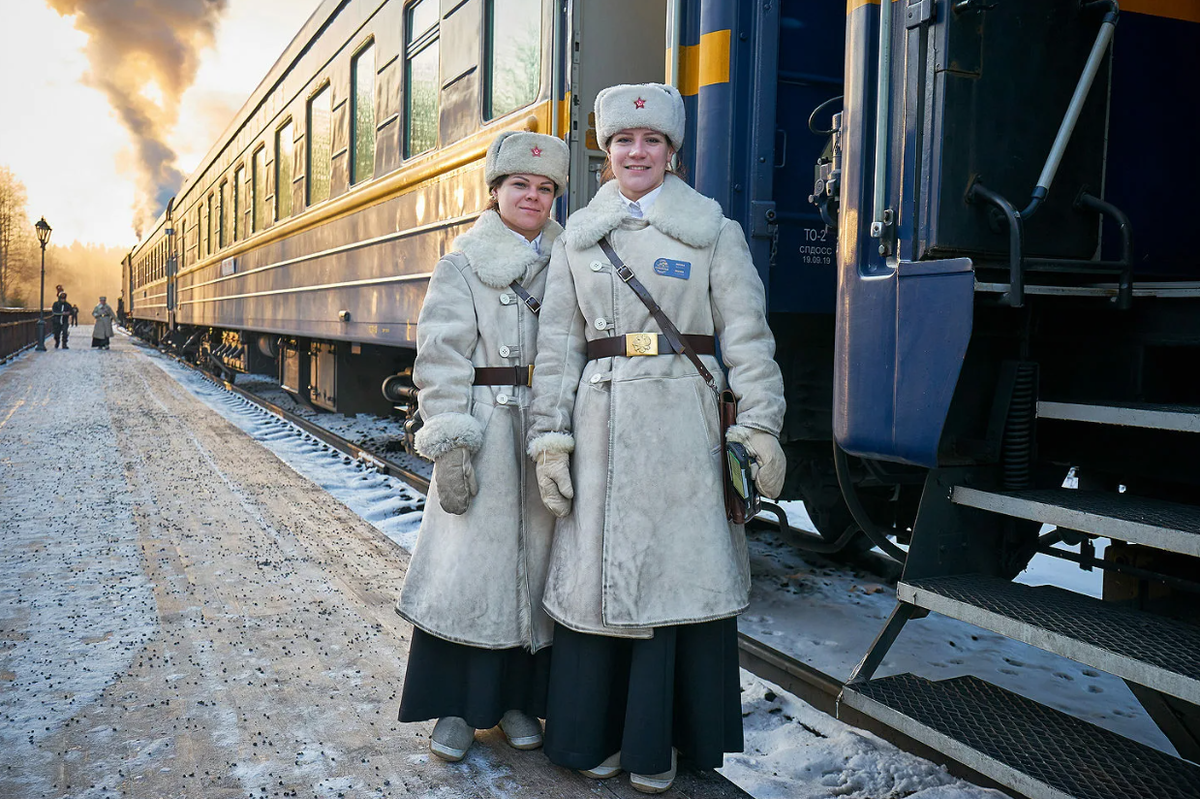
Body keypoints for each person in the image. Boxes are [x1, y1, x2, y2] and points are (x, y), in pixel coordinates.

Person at [527, 83, 787, 793]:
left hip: (684, 429)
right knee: (598, 583)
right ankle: (597, 733)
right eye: (622, 141)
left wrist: (760, 426)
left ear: (671, 151)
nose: (636, 152)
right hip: (600, 426)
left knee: (672, 580)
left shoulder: (713, 230)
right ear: (606, 153)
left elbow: (747, 339)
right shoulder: (578, 237)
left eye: (651, 141)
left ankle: (659, 741)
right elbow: (557, 349)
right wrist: (550, 440)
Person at [396, 131, 570, 763]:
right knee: (470, 571)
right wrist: (450, 443)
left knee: (539, 571)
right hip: (486, 427)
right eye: (520, 184)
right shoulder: (463, 261)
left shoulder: (570, 258)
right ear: (495, 191)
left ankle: (519, 702)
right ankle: (457, 709)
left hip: (549, 426)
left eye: (545, 186)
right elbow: (440, 357)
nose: (532, 195)